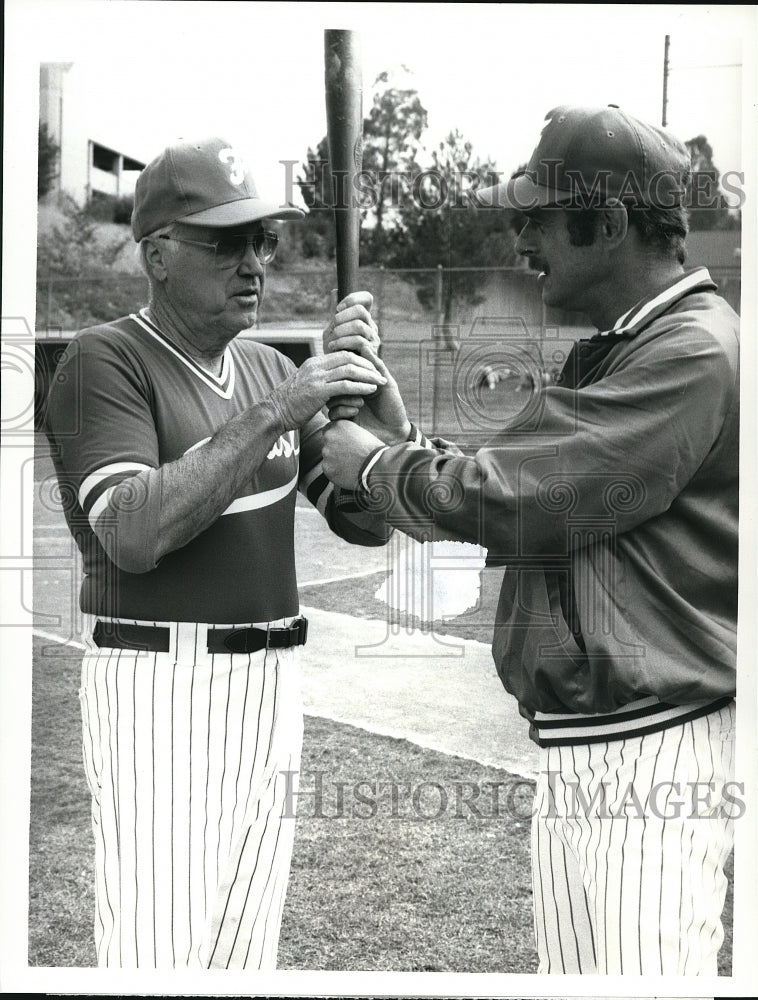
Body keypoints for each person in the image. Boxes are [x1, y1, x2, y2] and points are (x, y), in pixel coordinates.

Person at [321, 105, 739, 978]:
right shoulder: (626, 345)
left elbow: (518, 497)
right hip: (600, 734)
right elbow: (522, 471)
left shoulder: (691, 350)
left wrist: (374, 468)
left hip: (652, 743)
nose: (522, 239)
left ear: (613, 222)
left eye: (540, 217)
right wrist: (409, 442)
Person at [43, 135, 399, 970]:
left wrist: (376, 404)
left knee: (244, 961)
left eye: (261, 241)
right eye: (226, 242)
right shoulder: (105, 361)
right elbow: (130, 531)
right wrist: (281, 409)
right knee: (157, 955)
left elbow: (364, 519)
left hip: (271, 688)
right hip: (161, 688)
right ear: (159, 255)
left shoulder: (266, 365)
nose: (253, 264)